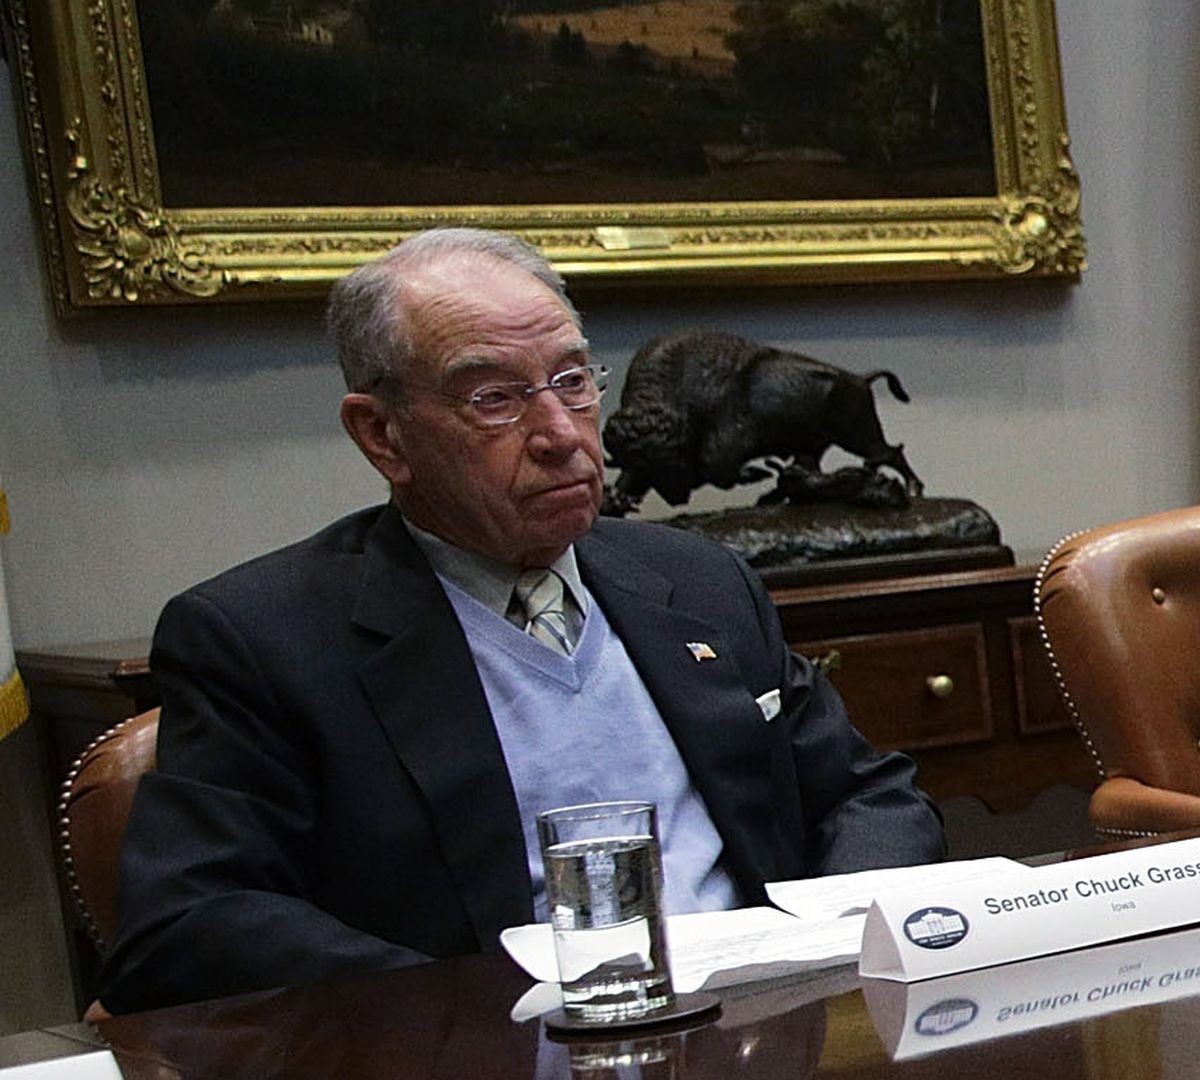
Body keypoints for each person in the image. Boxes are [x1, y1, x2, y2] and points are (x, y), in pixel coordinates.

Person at [98, 228, 945, 1013]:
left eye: (573, 382)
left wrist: (826, 947)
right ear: (382, 435)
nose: (561, 434)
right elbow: (189, 924)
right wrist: (481, 1013)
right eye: (495, 399)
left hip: (761, 1031)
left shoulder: (698, 582)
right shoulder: (264, 638)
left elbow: (870, 797)